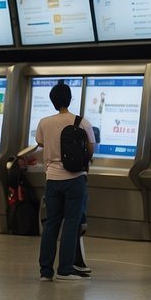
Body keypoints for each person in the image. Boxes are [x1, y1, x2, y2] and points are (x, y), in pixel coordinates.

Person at [33, 81, 95, 282]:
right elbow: (91, 148)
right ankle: (65, 270)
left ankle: (45, 271)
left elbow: (40, 143)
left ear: (52, 101)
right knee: (71, 224)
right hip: (75, 179)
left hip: (52, 179)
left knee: (51, 224)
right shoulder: (82, 122)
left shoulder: (44, 122)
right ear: (70, 99)